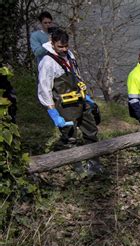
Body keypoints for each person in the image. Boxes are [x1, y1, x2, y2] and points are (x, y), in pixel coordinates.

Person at [37, 28, 102, 174]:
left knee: (91, 130)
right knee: (70, 137)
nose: (64, 49)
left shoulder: (69, 55)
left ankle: (94, 164)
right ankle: (77, 168)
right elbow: (44, 88)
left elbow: (76, 75)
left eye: (66, 46)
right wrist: (53, 113)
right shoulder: (47, 62)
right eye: (60, 46)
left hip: (80, 100)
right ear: (52, 43)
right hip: (64, 105)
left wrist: (87, 98)